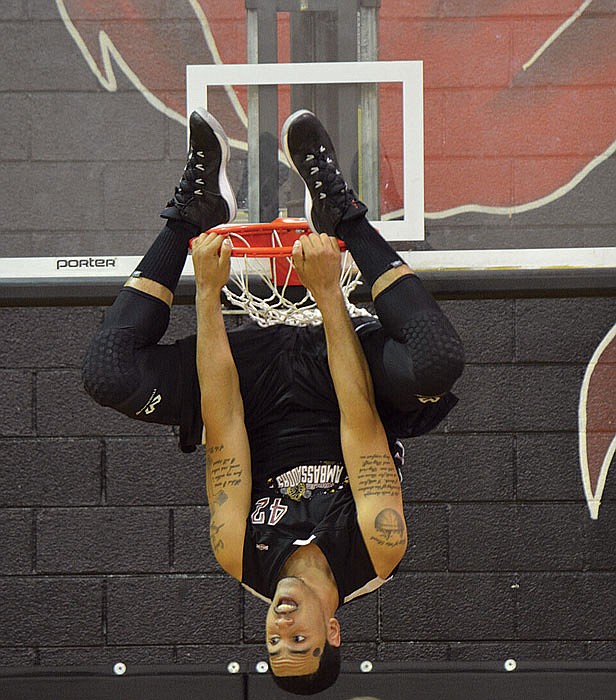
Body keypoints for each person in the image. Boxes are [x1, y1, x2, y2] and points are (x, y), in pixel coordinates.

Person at [82, 108, 465, 695]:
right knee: (438, 361)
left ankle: (192, 214)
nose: (281, 627)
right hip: (341, 385)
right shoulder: (379, 547)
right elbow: (360, 423)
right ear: (333, 631)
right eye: (299, 641)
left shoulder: (238, 554)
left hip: (246, 390)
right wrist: (328, 293)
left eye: (272, 641)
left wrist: (207, 294)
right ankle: (344, 215)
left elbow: (224, 421)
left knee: (108, 374)